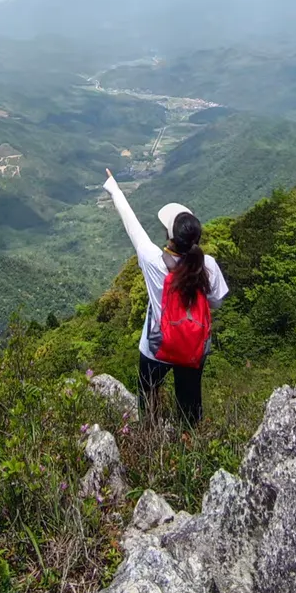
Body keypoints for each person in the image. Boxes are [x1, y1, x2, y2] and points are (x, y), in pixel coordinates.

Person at [103, 169, 229, 425]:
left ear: (170, 237)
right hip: (194, 346)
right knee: (190, 401)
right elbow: (216, 301)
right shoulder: (209, 265)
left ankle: (150, 434)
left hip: (156, 348)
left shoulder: (152, 260)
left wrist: (114, 187)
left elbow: (132, 225)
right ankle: (190, 441)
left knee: (147, 393)